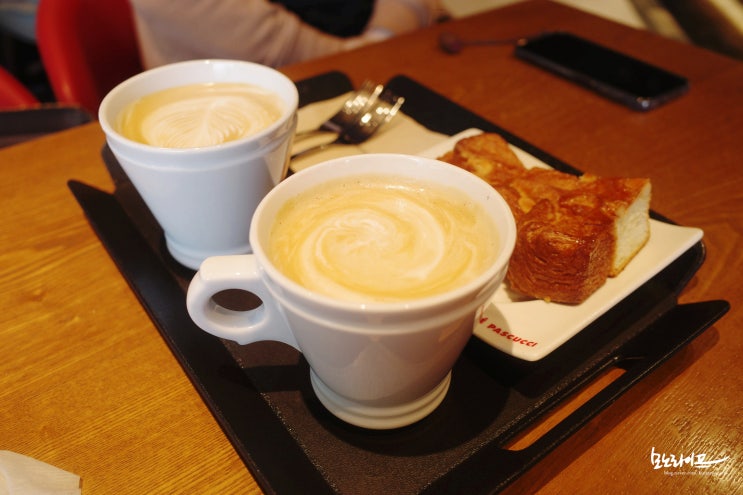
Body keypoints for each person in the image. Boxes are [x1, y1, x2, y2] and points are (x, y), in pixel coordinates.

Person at [129, 0, 447, 69]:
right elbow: (290, 55)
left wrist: (383, 36)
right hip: (285, 87)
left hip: (404, 50)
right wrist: (378, 46)